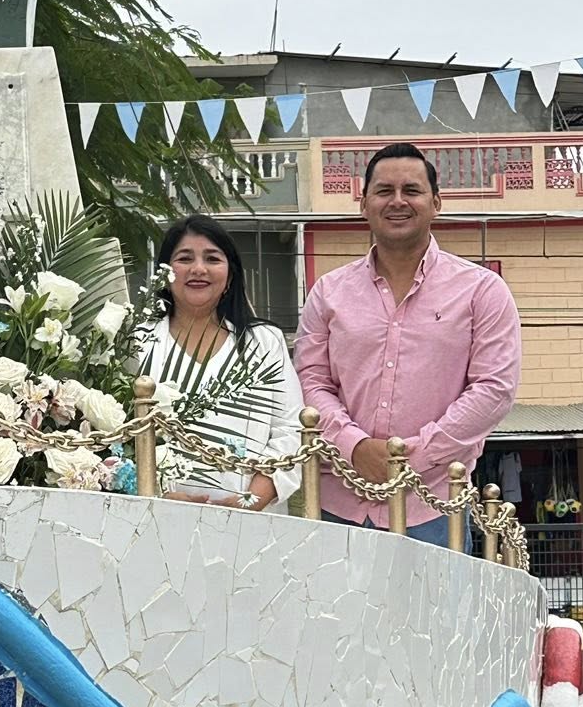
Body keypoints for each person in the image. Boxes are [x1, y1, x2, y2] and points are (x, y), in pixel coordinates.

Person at [293, 140, 521, 545]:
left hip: (433, 507)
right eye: (384, 191)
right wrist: (354, 446)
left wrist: (415, 455)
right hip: (337, 503)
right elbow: (310, 380)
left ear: (436, 203)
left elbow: (493, 390)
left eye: (411, 190)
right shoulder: (328, 292)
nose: (397, 201)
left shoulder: (482, 291)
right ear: (364, 204)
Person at [142, 215, 303, 512]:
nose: (198, 269)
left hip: (253, 520)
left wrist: (251, 500)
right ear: (165, 273)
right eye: (184, 258)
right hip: (154, 515)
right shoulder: (137, 342)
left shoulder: (264, 342)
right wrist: (159, 497)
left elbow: (290, 429)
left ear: (230, 276)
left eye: (212, 258)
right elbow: (118, 432)